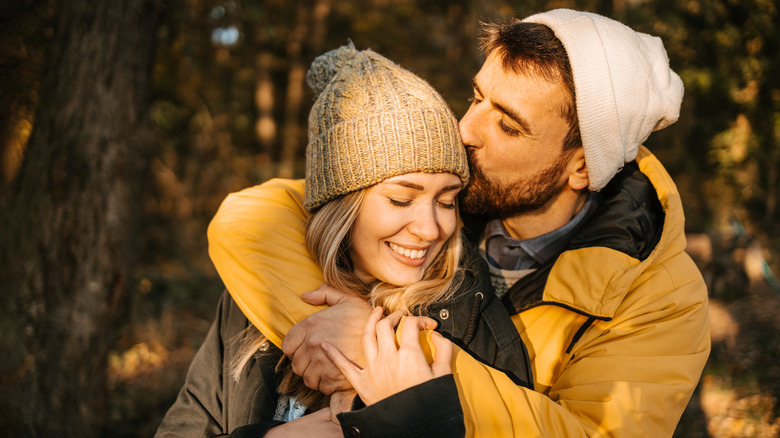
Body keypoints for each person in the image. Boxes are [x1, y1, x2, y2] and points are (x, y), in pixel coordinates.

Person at [204, 8, 711, 437]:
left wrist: (379, 345)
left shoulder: (662, 297)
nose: (465, 130)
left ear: (582, 166)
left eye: (507, 124)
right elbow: (254, 219)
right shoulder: (441, 202)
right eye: (475, 98)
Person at [156, 43, 531, 437]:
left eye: (447, 201)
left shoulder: (473, 325)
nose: (431, 228)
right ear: (340, 204)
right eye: (401, 199)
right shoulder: (258, 293)